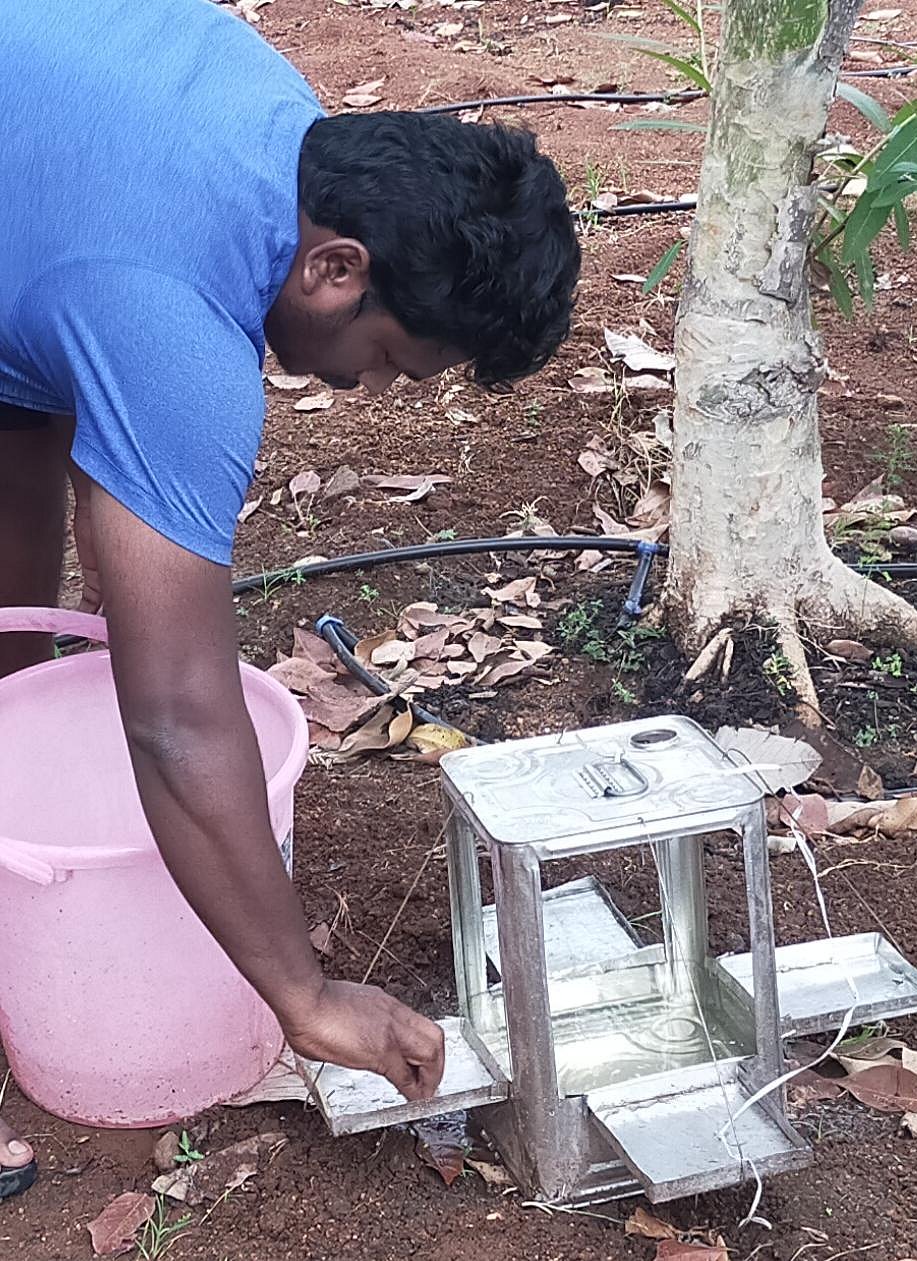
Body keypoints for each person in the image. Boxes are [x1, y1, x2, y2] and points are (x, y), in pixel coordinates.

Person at [0, 0, 580, 1202]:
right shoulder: (172, 326)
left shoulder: (257, 105)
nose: (369, 388)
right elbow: (176, 719)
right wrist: (305, 997)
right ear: (335, 269)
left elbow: (47, 338)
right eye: (385, 360)